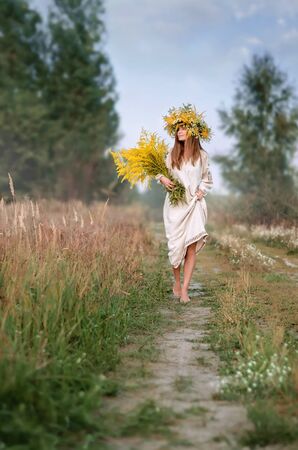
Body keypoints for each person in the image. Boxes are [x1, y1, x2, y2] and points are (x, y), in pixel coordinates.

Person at [155, 105, 213, 304]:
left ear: (194, 132)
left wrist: (201, 190)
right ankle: (177, 282)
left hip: (193, 205)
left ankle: (186, 289)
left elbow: (207, 179)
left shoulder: (202, 156)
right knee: (175, 247)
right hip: (175, 207)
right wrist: (162, 178)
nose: (179, 131)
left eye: (183, 128)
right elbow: (160, 172)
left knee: (189, 247)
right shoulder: (172, 155)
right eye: (177, 129)